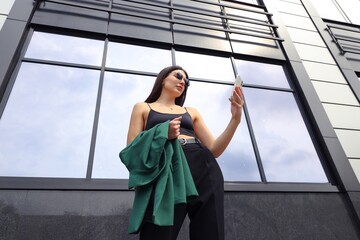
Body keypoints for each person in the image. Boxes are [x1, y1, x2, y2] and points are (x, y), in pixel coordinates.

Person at [125, 65, 244, 240]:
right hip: (168, 169)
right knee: (157, 232)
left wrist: (235, 119)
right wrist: (163, 133)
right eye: (178, 76)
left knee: (211, 231)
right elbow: (132, 150)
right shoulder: (143, 108)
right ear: (163, 78)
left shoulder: (191, 111)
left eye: (186, 81)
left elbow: (214, 149)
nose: (183, 81)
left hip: (203, 166)